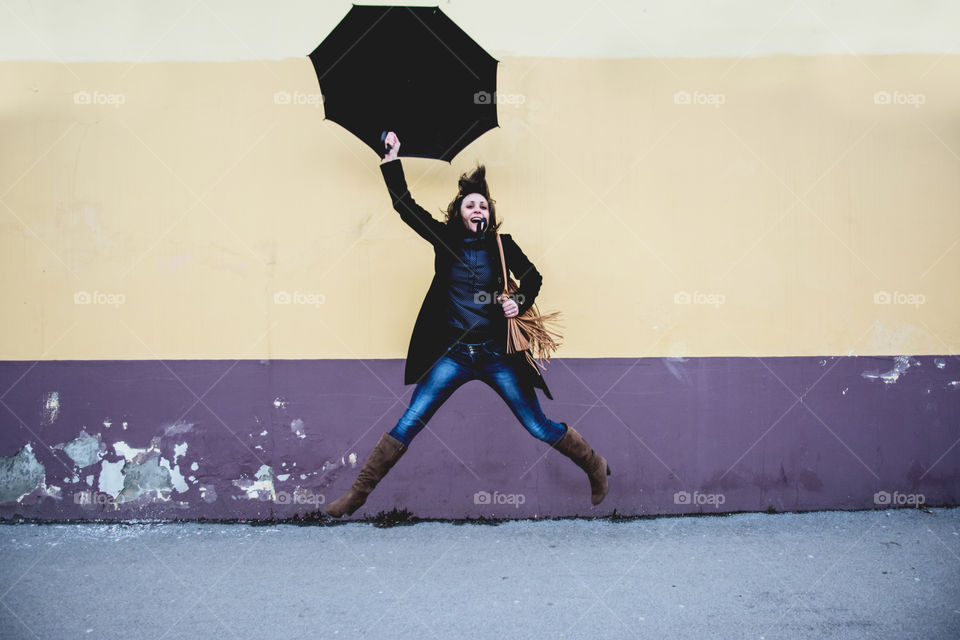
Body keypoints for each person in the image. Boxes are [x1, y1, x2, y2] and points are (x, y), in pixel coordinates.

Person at [324, 131, 611, 518]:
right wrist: (392, 159)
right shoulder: (444, 241)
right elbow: (404, 205)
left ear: (490, 214)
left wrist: (518, 302)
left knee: (538, 425)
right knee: (409, 421)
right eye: (470, 205)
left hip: (498, 355)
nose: (478, 210)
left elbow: (535, 278)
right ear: (458, 212)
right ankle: (356, 496)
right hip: (454, 355)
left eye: (484, 206)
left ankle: (595, 466)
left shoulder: (502, 245)